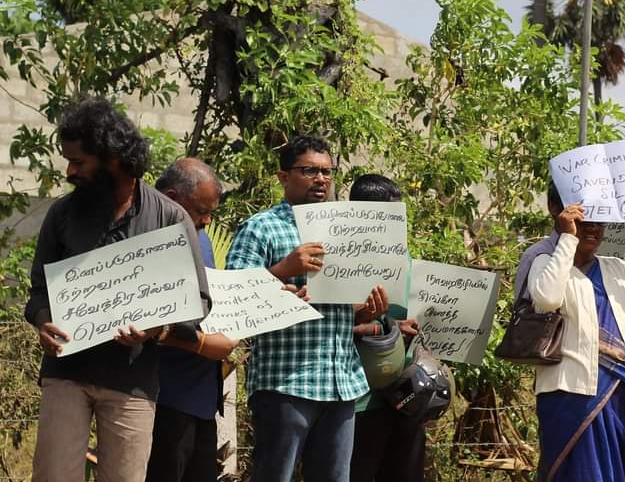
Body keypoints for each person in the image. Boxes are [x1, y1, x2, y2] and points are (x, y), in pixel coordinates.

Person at [24, 98, 211, 482]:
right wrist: (44, 322)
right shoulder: (62, 214)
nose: (70, 171)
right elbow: (39, 291)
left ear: (112, 160)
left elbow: (198, 302)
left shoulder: (169, 219)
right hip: (67, 373)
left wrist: (154, 328)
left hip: (132, 381)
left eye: (79, 162)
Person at [225, 135, 389, 482]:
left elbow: (345, 309)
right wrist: (282, 269)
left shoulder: (346, 232)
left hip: (342, 381)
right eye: (310, 171)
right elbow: (233, 298)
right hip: (286, 382)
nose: (321, 179)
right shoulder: (261, 228)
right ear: (284, 177)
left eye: (327, 172)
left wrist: (366, 311)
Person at [526, 197, 625, 482]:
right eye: (584, 222)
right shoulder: (545, 262)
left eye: (598, 222)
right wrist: (567, 239)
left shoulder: (620, 269)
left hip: (620, 393)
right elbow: (547, 299)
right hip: (568, 394)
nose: (593, 229)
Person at [146, 158, 240, 482]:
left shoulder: (199, 235)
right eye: (201, 210)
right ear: (172, 197)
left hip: (202, 397)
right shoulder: (141, 237)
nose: (208, 219)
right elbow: (141, 321)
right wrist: (201, 344)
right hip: (162, 396)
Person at [347, 173, 424, 482]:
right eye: (391, 216)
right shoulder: (342, 261)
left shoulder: (402, 255)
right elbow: (331, 325)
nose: (398, 224)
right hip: (361, 399)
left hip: (407, 393)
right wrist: (385, 329)